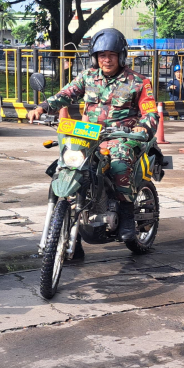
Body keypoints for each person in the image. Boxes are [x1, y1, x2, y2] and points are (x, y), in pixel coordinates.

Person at [27, 28, 158, 241]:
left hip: (122, 136)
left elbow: (150, 112)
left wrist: (142, 127)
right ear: (95, 57)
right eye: (102, 55)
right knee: (66, 164)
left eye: (112, 55)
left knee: (119, 161)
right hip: (89, 134)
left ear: (121, 56)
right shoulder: (87, 77)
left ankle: (125, 213)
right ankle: (70, 232)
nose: (107, 60)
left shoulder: (139, 82)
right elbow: (65, 95)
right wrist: (42, 107)